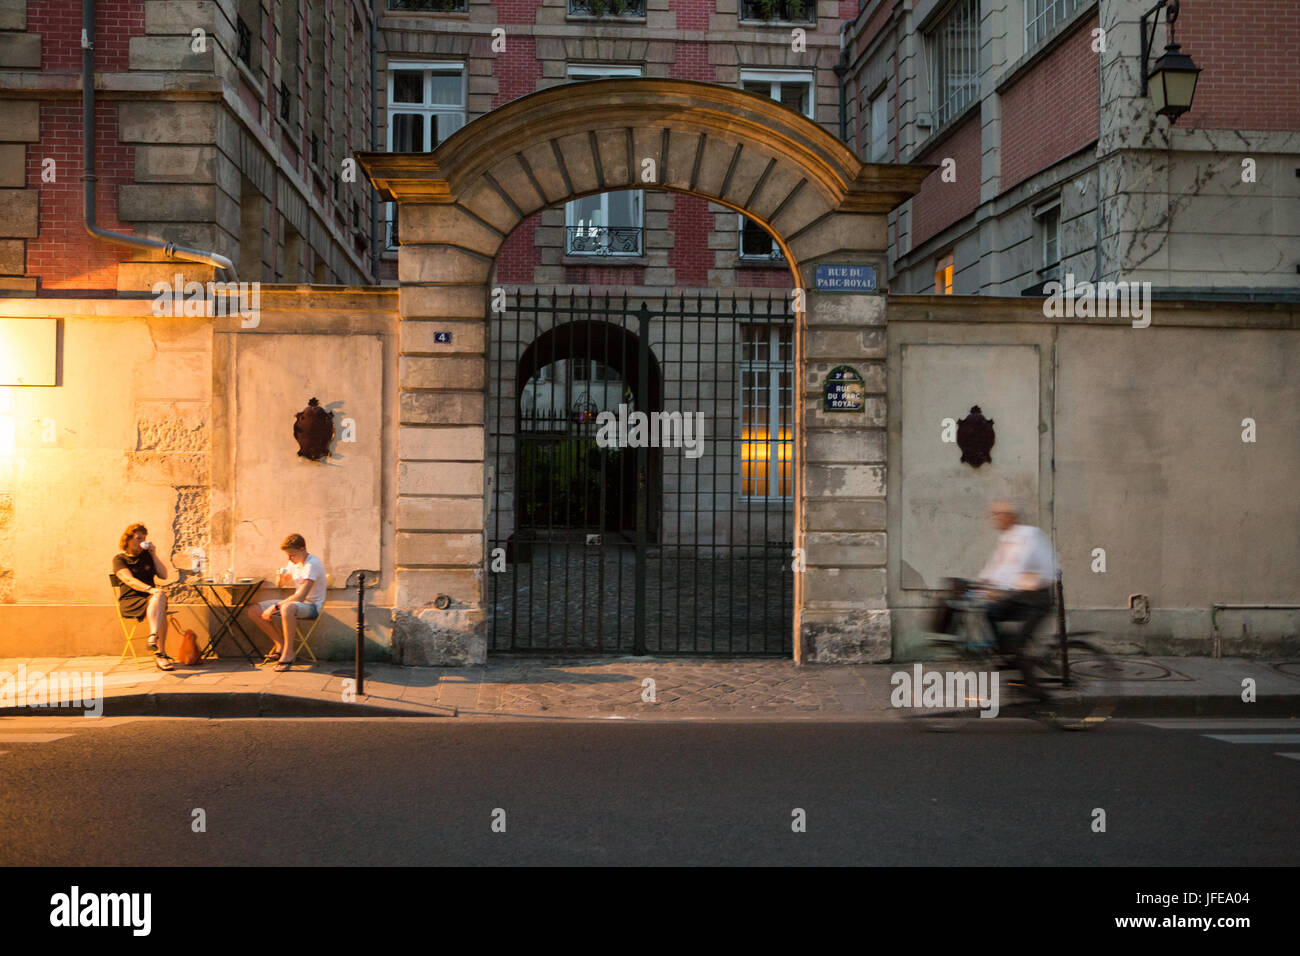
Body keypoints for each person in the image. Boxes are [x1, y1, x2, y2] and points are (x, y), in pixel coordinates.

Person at [974, 498, 1059, 700]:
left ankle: (1038, 693)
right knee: (990, 612)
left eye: (998, 514)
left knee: (1018, 646)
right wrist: (979, 586)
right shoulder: (1006, 539)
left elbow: (1024, 567)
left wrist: (1002, 585)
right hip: (1020, 597)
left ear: (1010, 516)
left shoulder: (1029, 536)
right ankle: (1007, 656)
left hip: (1037, 600)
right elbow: (996, 569)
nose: (993, 518)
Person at [251, 533, 326, 671]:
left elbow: (301, 596)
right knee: (253, 610)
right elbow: (281, 584)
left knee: (287, 608)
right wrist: (281, 578)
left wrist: (274, 607)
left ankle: (288, 653)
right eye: (288, 555)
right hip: (296, 603)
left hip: (311, 606)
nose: (289, 559)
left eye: (292, 554)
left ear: (302, 549)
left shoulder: (312, 564)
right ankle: (280, 644)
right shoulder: (294, 563)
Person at [112, 523, 174, 671]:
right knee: (159, 600)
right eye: (138, 538)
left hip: (152, 599)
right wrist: (150, 589)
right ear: (127, 540)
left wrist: (153, 554)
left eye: (144, 539)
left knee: (159, 599)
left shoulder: (147, 556)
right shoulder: (120, 559)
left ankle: (153, 638)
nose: (141, 542)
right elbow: (129, 580)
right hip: (131, 600)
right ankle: (161, 653)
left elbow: (163, 575)